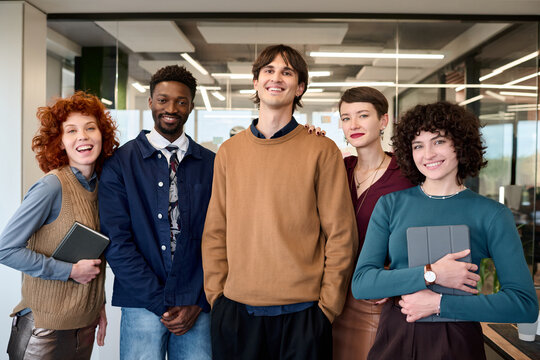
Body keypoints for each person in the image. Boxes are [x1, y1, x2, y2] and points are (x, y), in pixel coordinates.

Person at [202, 44, 358, 360]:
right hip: (236, 312)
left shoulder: (321, 150)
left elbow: (340, 234)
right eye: (268, 71)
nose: (277, 78)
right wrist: (216, 297)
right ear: (256, 83)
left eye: (287, 72)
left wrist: (327, 308)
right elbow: (216, 230)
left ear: (299, 87)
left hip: (304, 315)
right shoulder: (230, 152)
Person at [352, 101, 538, 359]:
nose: (427, 154)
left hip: (457, 339)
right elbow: (362, 284)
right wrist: (432, 274)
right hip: (395, 335)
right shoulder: (391, 205)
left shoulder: (492, 214)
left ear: (460, 145)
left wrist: (439, 303)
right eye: (418, 145)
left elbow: (523, 305)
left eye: (438, 141)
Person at [98, 65, 214, 360]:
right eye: (163, 100)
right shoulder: (120, 164)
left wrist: (199, 299)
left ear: (191, 105)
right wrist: (159, 302)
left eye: (181, 101)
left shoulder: (212, 164)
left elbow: (220, 237)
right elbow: (116, 240)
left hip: (196, 305)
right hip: (141, 302)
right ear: (150, 102)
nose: (171, 108)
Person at [0, 91, 118, 360]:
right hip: (45, 329)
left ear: (102, 135)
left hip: (83, 326)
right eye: (71, 131)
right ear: (60, 143)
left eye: (90, 128)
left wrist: (97, 306)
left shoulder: (102, 187)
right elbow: (5, 249)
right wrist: (69, 270)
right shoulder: (51, 186)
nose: (83, 136)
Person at [330, 87, 413, 360]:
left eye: (363, 115)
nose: (353, 125)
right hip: (332, 294)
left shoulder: (406, 174)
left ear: (383, 121)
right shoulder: (339, 169)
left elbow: (421, 234)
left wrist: (396, 279)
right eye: (345, 118)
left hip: (376, 297)